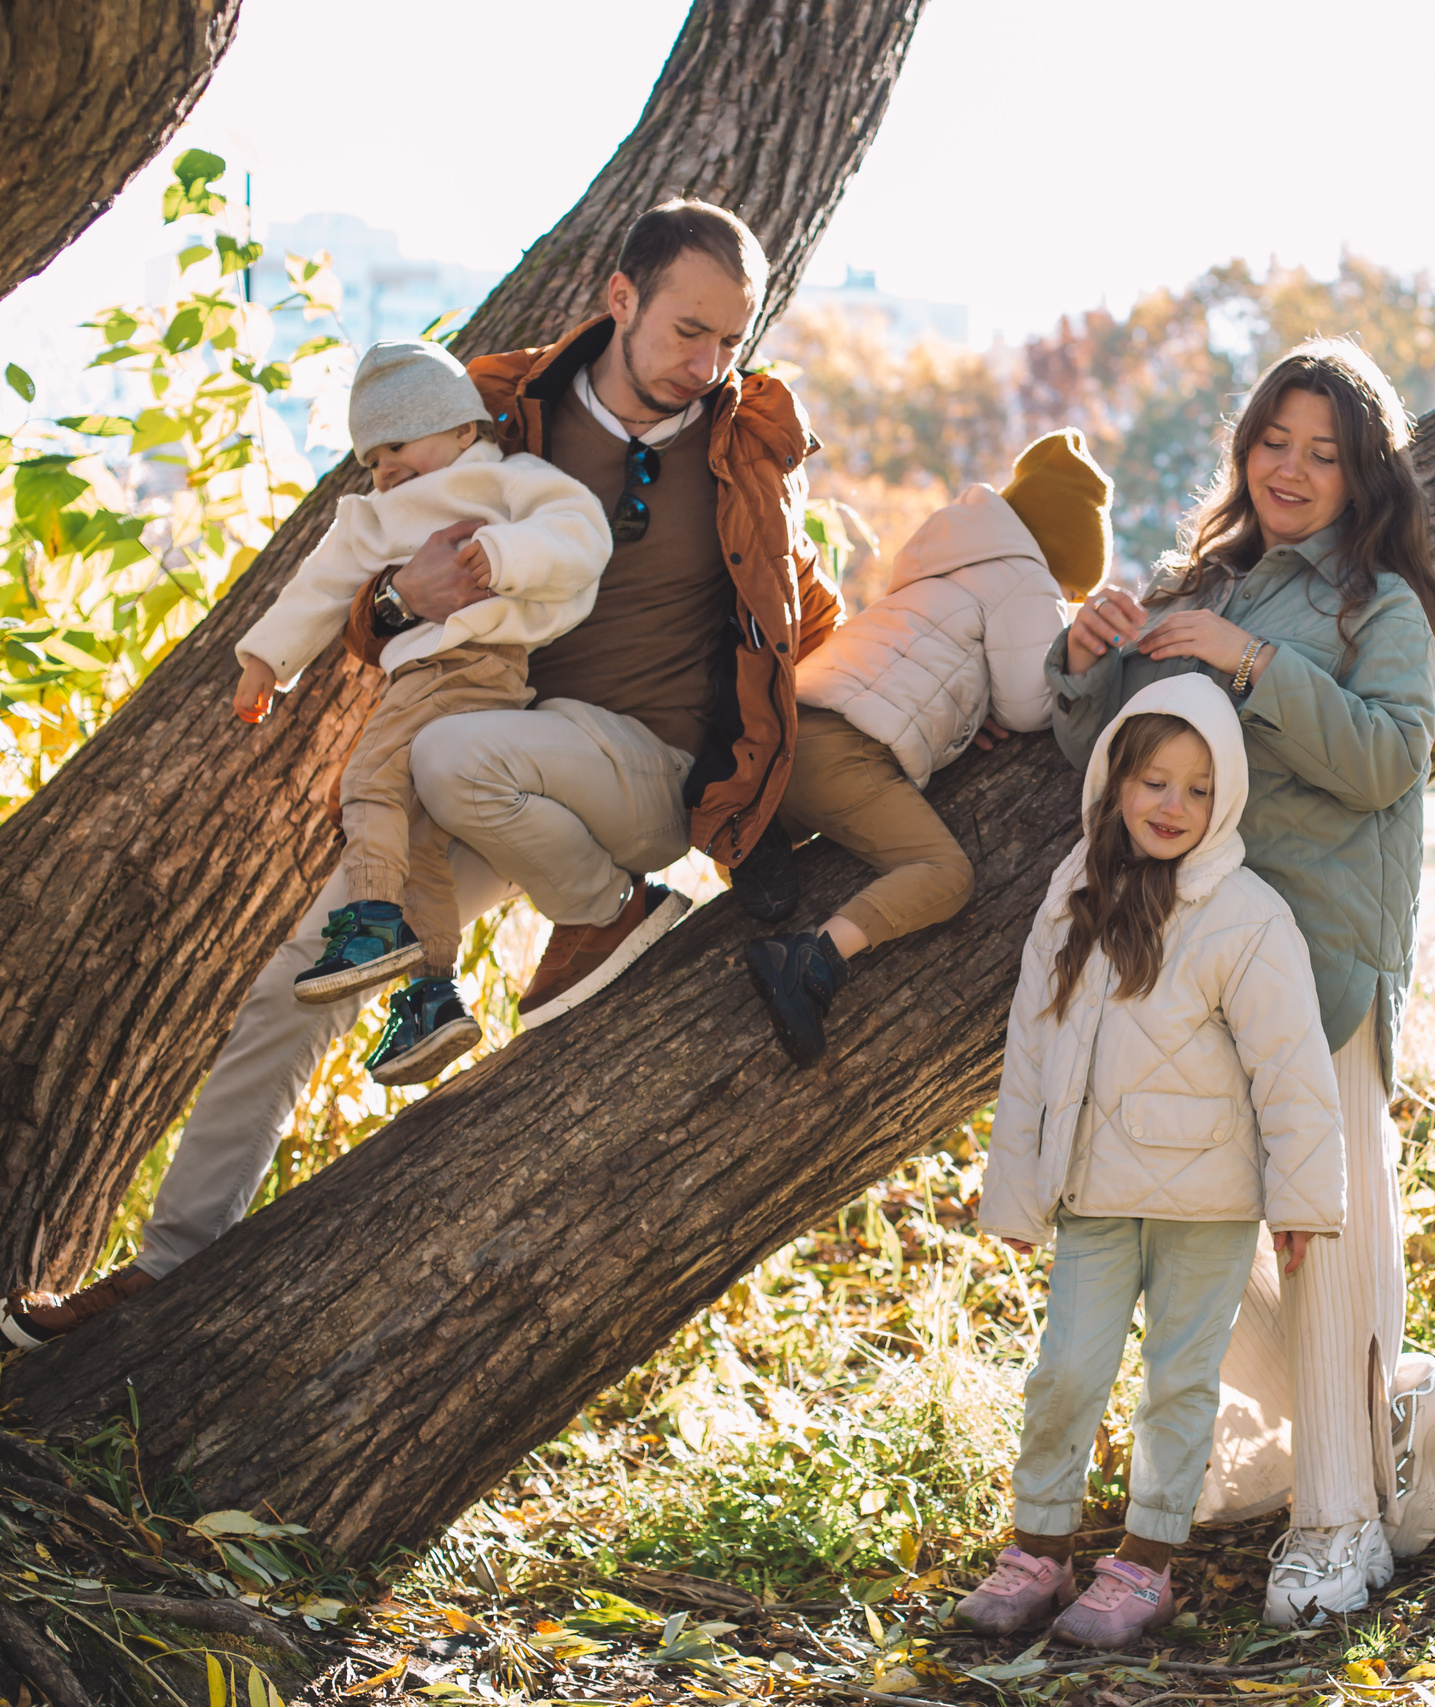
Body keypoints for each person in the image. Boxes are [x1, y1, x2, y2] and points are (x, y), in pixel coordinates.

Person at [2, 199, 848, 1350]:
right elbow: (368, 592)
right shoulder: (490, 411)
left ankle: (613, 912)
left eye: (729, 342)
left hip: (640, 776)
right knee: (295, 980)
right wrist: (411, 597)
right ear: (619, 299)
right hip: (493, 756)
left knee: (453, 757)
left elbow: (810, 619)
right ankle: (166, 1271)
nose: (706, 365)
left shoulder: (746, 446)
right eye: (686, 331)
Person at [1045, 338, 1435, 1625]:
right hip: (1180, 956)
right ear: (1243, 450)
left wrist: (1252, 670)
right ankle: (1386, 1416)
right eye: (1273, 443)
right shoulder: (1210, 581)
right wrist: (1090, 660)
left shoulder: (1378, 610)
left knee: (1321, 1231)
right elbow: (1118, 753)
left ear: (1365, 477)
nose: (1292, 469)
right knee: (1188, 1223)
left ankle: (1338, 1520)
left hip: (1320, 958)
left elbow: (1384, 763)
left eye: (1325, 452)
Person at [962, 675, 1345, 1646]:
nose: (1173, 806)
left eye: (1198, 790)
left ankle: (1145, 1564)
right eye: (1154, 783)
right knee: (1064, 1373)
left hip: (1207, 1205)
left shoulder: (1248, 915)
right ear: (1114, 783)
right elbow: (1033, 1047)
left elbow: (1291, 1067)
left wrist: (1301, 1198)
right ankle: (1038, 1549)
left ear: (1226, 804)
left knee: (1180, 1384)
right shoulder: (1075, 891)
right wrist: (1015, 1188)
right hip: (1093, 1195)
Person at [232, 339, 612, 1086]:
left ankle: (371, 924)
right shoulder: (375, 516)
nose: (385, 467)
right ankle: (431, 996)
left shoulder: (506, 478)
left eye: (398, 442)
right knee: (422, 838)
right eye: (371, 458)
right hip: (424, 680)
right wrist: (265, 659)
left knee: (369, 779)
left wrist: (504, 554)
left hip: (474, 665)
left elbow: (580, 533)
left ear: (462, 428)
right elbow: (321, 583)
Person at [736, 430, 1108, 1065]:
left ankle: (761, 832)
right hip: (848, 751)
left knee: (807, 807)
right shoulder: (1025, 577)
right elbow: (1027, 702)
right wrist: (1073, 662)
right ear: (1062, 561)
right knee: (945, 875)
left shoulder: (943, 560)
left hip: (787, 736)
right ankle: (809, 959)